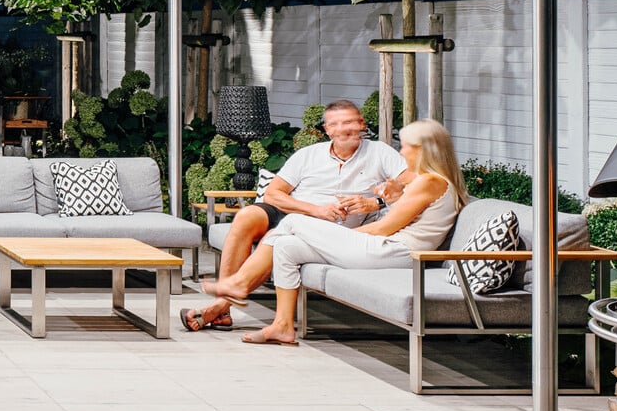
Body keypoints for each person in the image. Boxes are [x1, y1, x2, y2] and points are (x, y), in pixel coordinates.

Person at [197, 118, 468, 346]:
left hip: (397, 252)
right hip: (390, 249)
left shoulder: (431, 182)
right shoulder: (427, 180)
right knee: (287, 247)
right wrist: (386, 194)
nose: (402, 151)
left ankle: (239, 283)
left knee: (292, 223)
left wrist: (345, 237)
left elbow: (386, 227)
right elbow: (398, 190)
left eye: (407, 146)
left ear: (424, 150)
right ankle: (282, 326)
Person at [181, 98, 402, 331]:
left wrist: (374, 202)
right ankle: (223, 305)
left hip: (330, 224)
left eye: (349, 122)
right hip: (299, 209)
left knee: (277, 237)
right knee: (247, 216)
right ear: (326, 130)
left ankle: (219, 308)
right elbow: (273, 194)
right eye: (335, 124)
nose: (343, 129)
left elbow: (408, 184)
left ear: (361, 124)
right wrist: (314, 209)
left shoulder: (379, 152)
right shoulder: (309, 154)